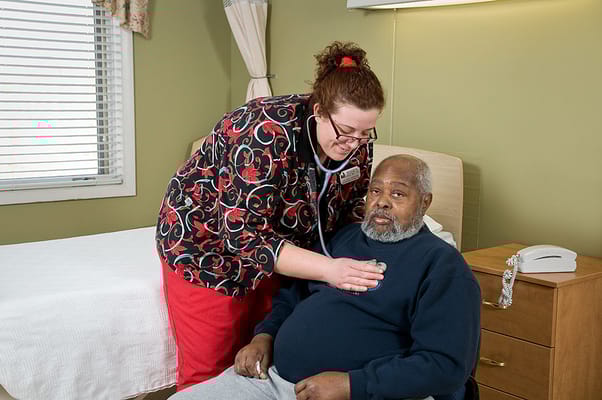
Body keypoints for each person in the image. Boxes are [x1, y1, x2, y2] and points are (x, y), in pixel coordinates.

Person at [156, 41, 388, 390]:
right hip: (207, 249)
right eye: (346, 132)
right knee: (209, 373)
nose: (354, 144)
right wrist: (329, 269)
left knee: (265, 359)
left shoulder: (355, 140)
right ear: (319, 110)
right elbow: (243, 235)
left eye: (365, 133)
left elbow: (353, 204)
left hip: (284, 251)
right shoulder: (263, 132)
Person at [167, 155, 482, 400]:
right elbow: (291, 296)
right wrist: (264, 336)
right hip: (273, 380)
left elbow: (446, 365)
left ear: (425, 202)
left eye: (398, 193)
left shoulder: (441, 265)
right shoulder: (341, 238)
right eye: (375, 190)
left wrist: (352, 385)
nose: (382, 201)